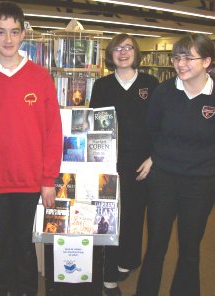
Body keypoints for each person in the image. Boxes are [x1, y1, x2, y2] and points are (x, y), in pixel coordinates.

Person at [0, 2, 62, 296]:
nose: (8, 39)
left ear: (23, 34)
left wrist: (48, 180)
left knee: (24, 246)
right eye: (1, 32)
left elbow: (53, 133)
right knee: (1, 246)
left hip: (30, 183)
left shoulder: (40, 78)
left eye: (14, 32)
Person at [135, 33, 215, 296]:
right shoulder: (164, 91)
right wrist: (156, 156)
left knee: (190, 249)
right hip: (164, 179)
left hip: (201, 183)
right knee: (156, 246)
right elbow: (152, 129)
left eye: (188, 58)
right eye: (176, 57)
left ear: (206, 61)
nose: (180, 64)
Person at [90, 33, 159, 296]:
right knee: (110, 217)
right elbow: (95, 125)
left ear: (136, 52)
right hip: (109, 164)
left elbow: (159, 125)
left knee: (133, 216)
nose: (123, 52)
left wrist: (153, 158)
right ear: (111, 54)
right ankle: (109, 278)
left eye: (128, 47)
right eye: (117, 48)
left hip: (142, 165)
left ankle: (127, 260)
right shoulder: (102, 85)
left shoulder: (151, 84)